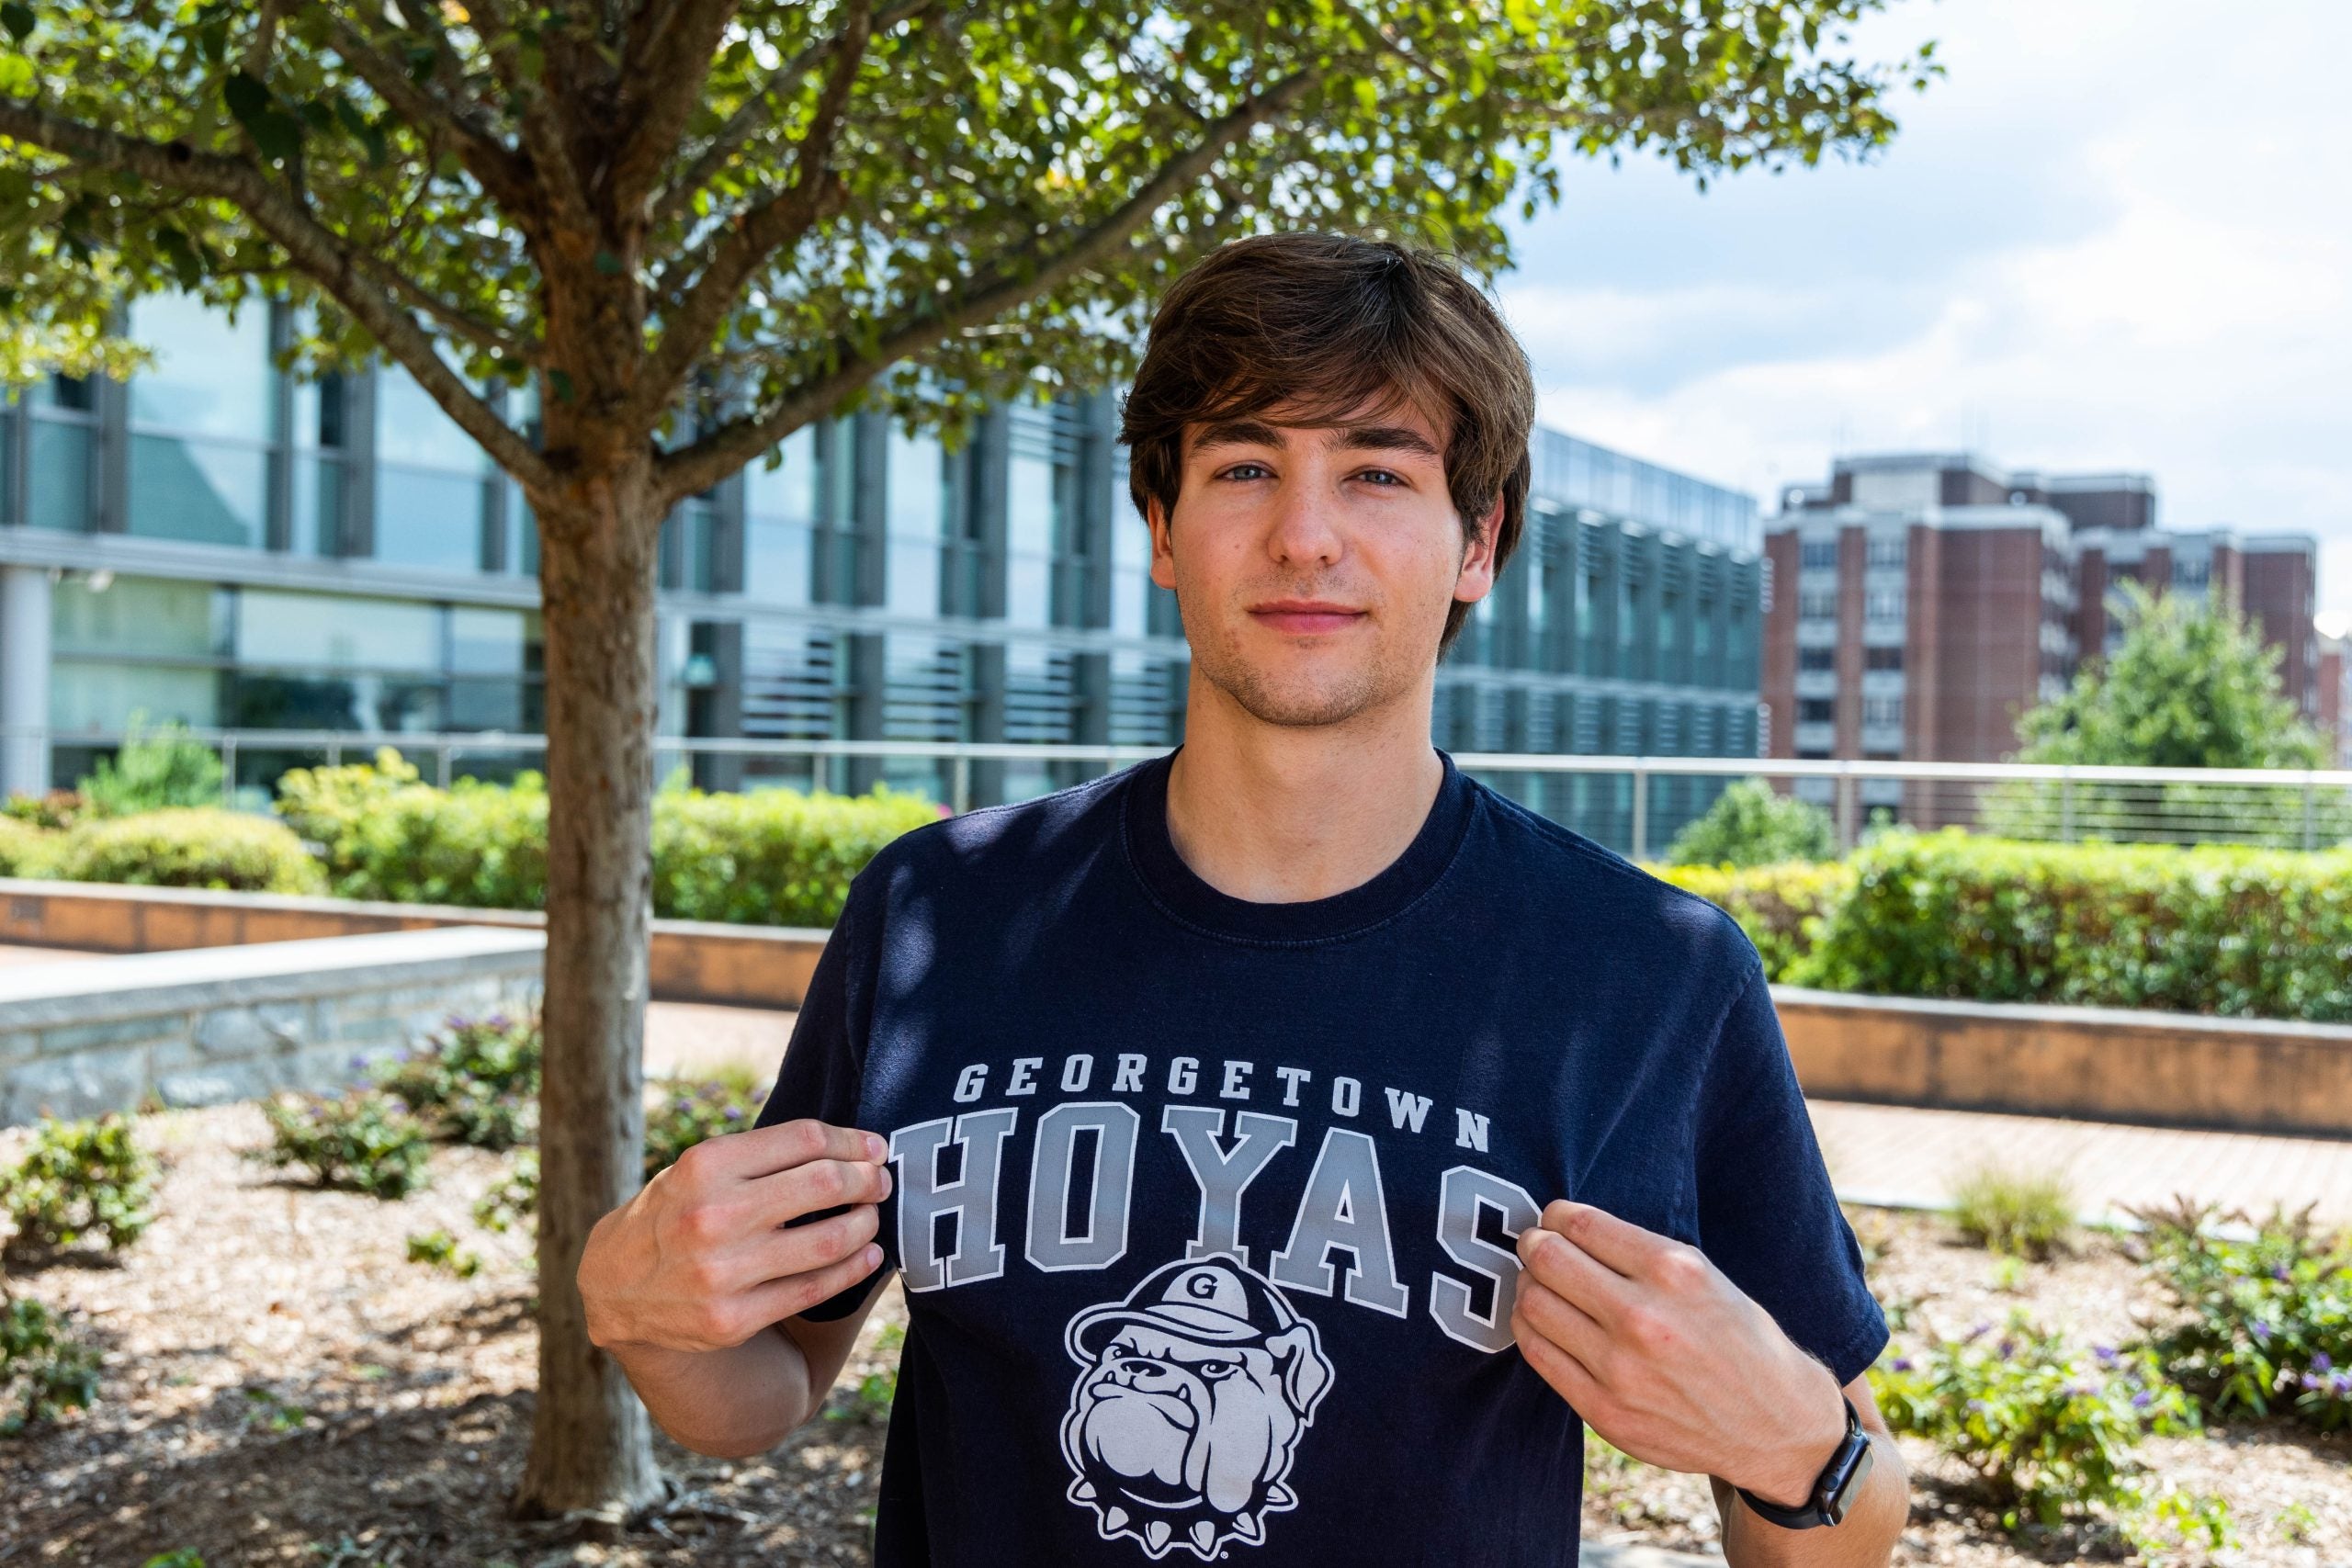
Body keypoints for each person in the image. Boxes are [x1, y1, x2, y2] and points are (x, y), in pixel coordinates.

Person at [578, 232, 1907, 1566]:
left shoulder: (1646, 973)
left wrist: (1794, 1444)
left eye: (1378, 473)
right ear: (1163, 527)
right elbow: (769, 1385)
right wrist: (637, 1308)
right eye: (1245, 467)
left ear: (1478, 543)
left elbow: (1843, 1535)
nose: (1305, 535)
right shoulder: (939, 912)